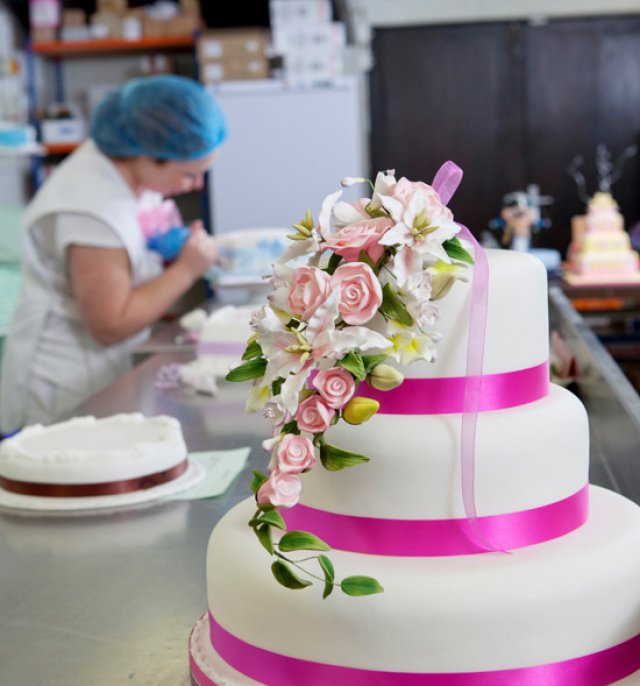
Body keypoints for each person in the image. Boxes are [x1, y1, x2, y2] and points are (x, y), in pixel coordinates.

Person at [0, 74, 227, 434]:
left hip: (100, 371)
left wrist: (168, 248)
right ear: (146, 155)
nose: (196, 186)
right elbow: (110, 324)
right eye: (189, 174)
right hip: (64, 383)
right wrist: (186, 269)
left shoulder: (122, 165)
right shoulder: (92, 208)